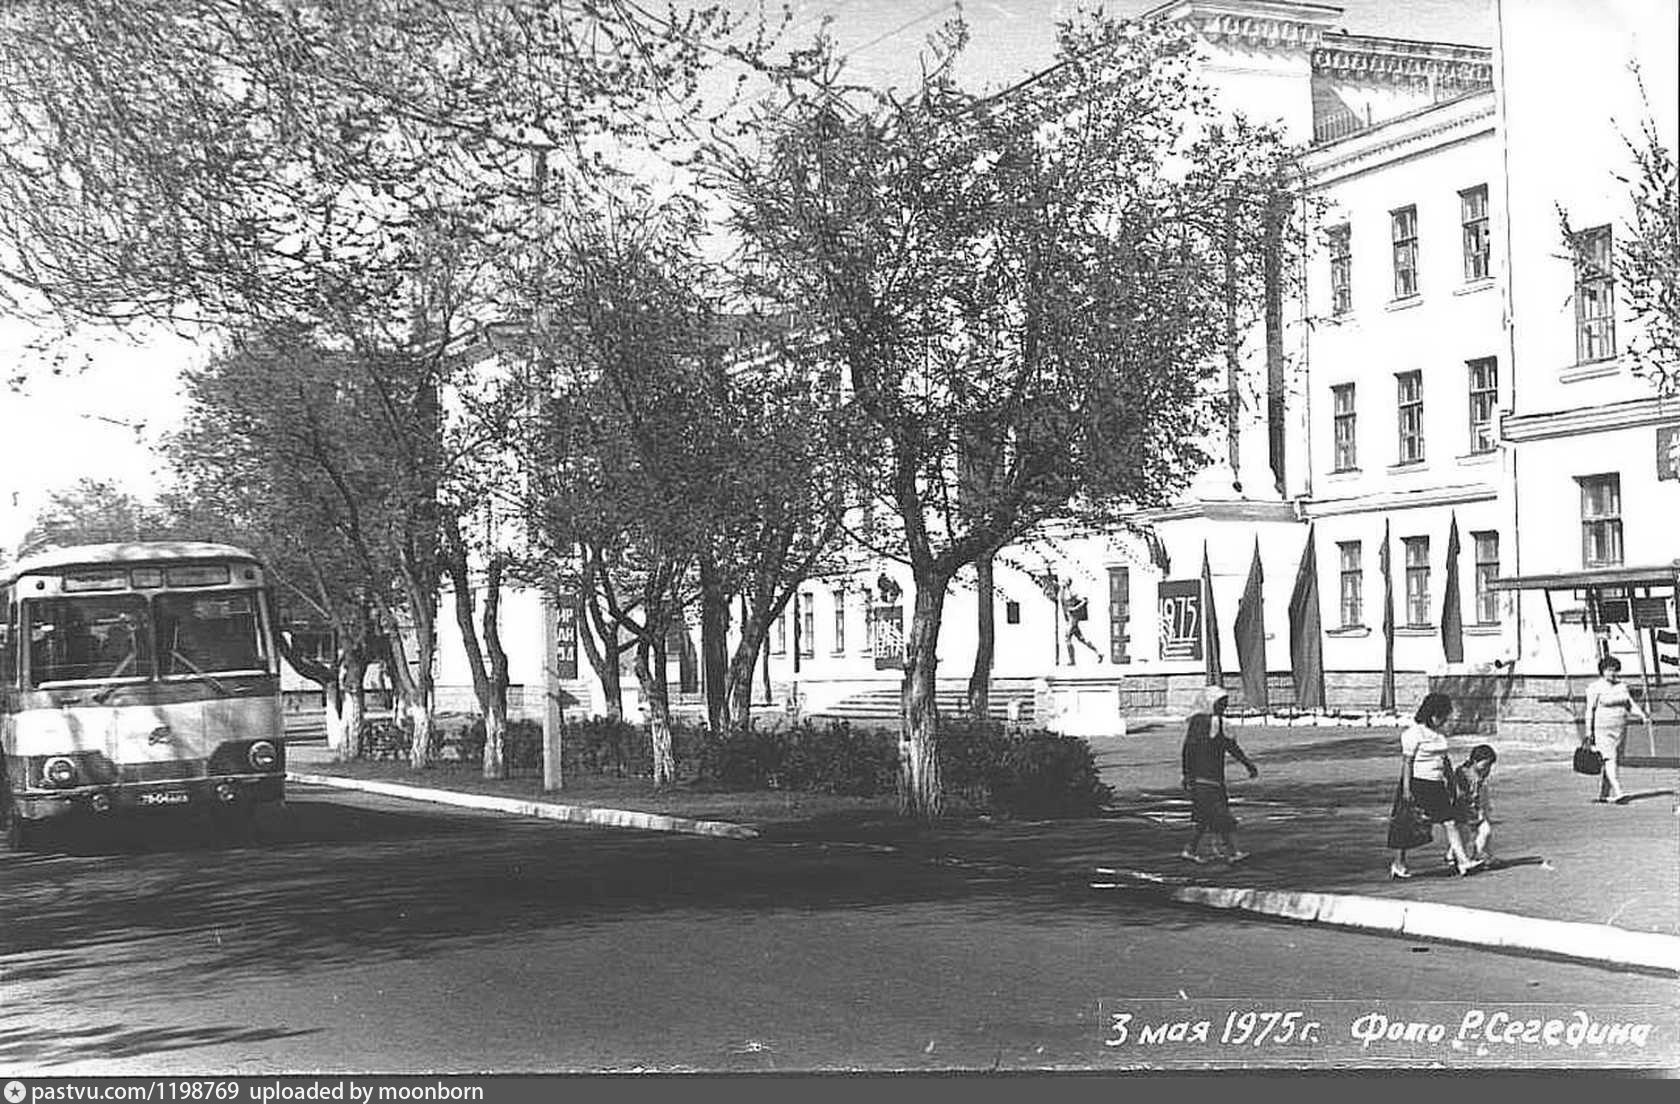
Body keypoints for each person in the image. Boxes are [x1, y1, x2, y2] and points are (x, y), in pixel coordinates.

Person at [1391, 691, 1480, 879]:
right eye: (1442, 716)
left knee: (1450, 822)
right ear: (1432, 714)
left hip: (1436, 785)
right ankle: (1398, 864)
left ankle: (1463, 862)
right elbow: (1407, 762)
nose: (1444, 721)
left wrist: (1452, 783)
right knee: (1405, 825)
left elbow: (1445, 761)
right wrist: (1407, 789)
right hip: (1417, 784)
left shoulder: (1439, 736)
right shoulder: (1413, 734)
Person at [1179, 685, 1259, 864]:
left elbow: (1231, 747)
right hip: (1203, 779)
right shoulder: (1200, 723)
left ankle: (1190, 850)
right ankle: (1233, 852)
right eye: (1221, 703)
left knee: (1205, 818)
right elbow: (1189, 749)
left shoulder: (1221, 725)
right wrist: (1187, 774)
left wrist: (1248, 764)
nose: (1224, 707)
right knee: (1221, 816)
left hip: (1214, 779)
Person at [1584, 655, 1646, 805]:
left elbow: (1630, 704)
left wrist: (1642, 715)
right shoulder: (1595, 687)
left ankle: (1604, 794)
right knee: (1609, 758)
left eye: (1615, 670)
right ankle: (1619, 792)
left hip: (1619, 729)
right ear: (1602, 671)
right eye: (1609, 670)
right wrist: (1588, 732)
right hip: (1602, 729)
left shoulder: (1622, 686)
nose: (1612, 673)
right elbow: (1589, 711)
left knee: (1611, 760)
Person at [1451, 743, 1498, 865]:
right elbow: (1459, 793)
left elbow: (1481, 793)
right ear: (1475, 761)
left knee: (1486, 831)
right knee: (1464, 836)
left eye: (1489, 766)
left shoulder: (1481, 775)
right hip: (1462, 811)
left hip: (1476, 810)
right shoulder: (1462, 773)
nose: (1487, 769)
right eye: (1486, 765)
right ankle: (1456, 856)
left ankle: (1478, 855)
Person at [1059, 578, 1102, 665]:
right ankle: (1098, 653)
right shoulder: (1063, 592)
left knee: (1067, 638)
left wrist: (1075, 609)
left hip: (1073, 619)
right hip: (1069, 618)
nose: (1062, 582)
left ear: (1068, 583)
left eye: (1064, 581)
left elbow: (1084, 601)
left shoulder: (1071, 592)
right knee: (1082, 639)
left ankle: (1072, 661)